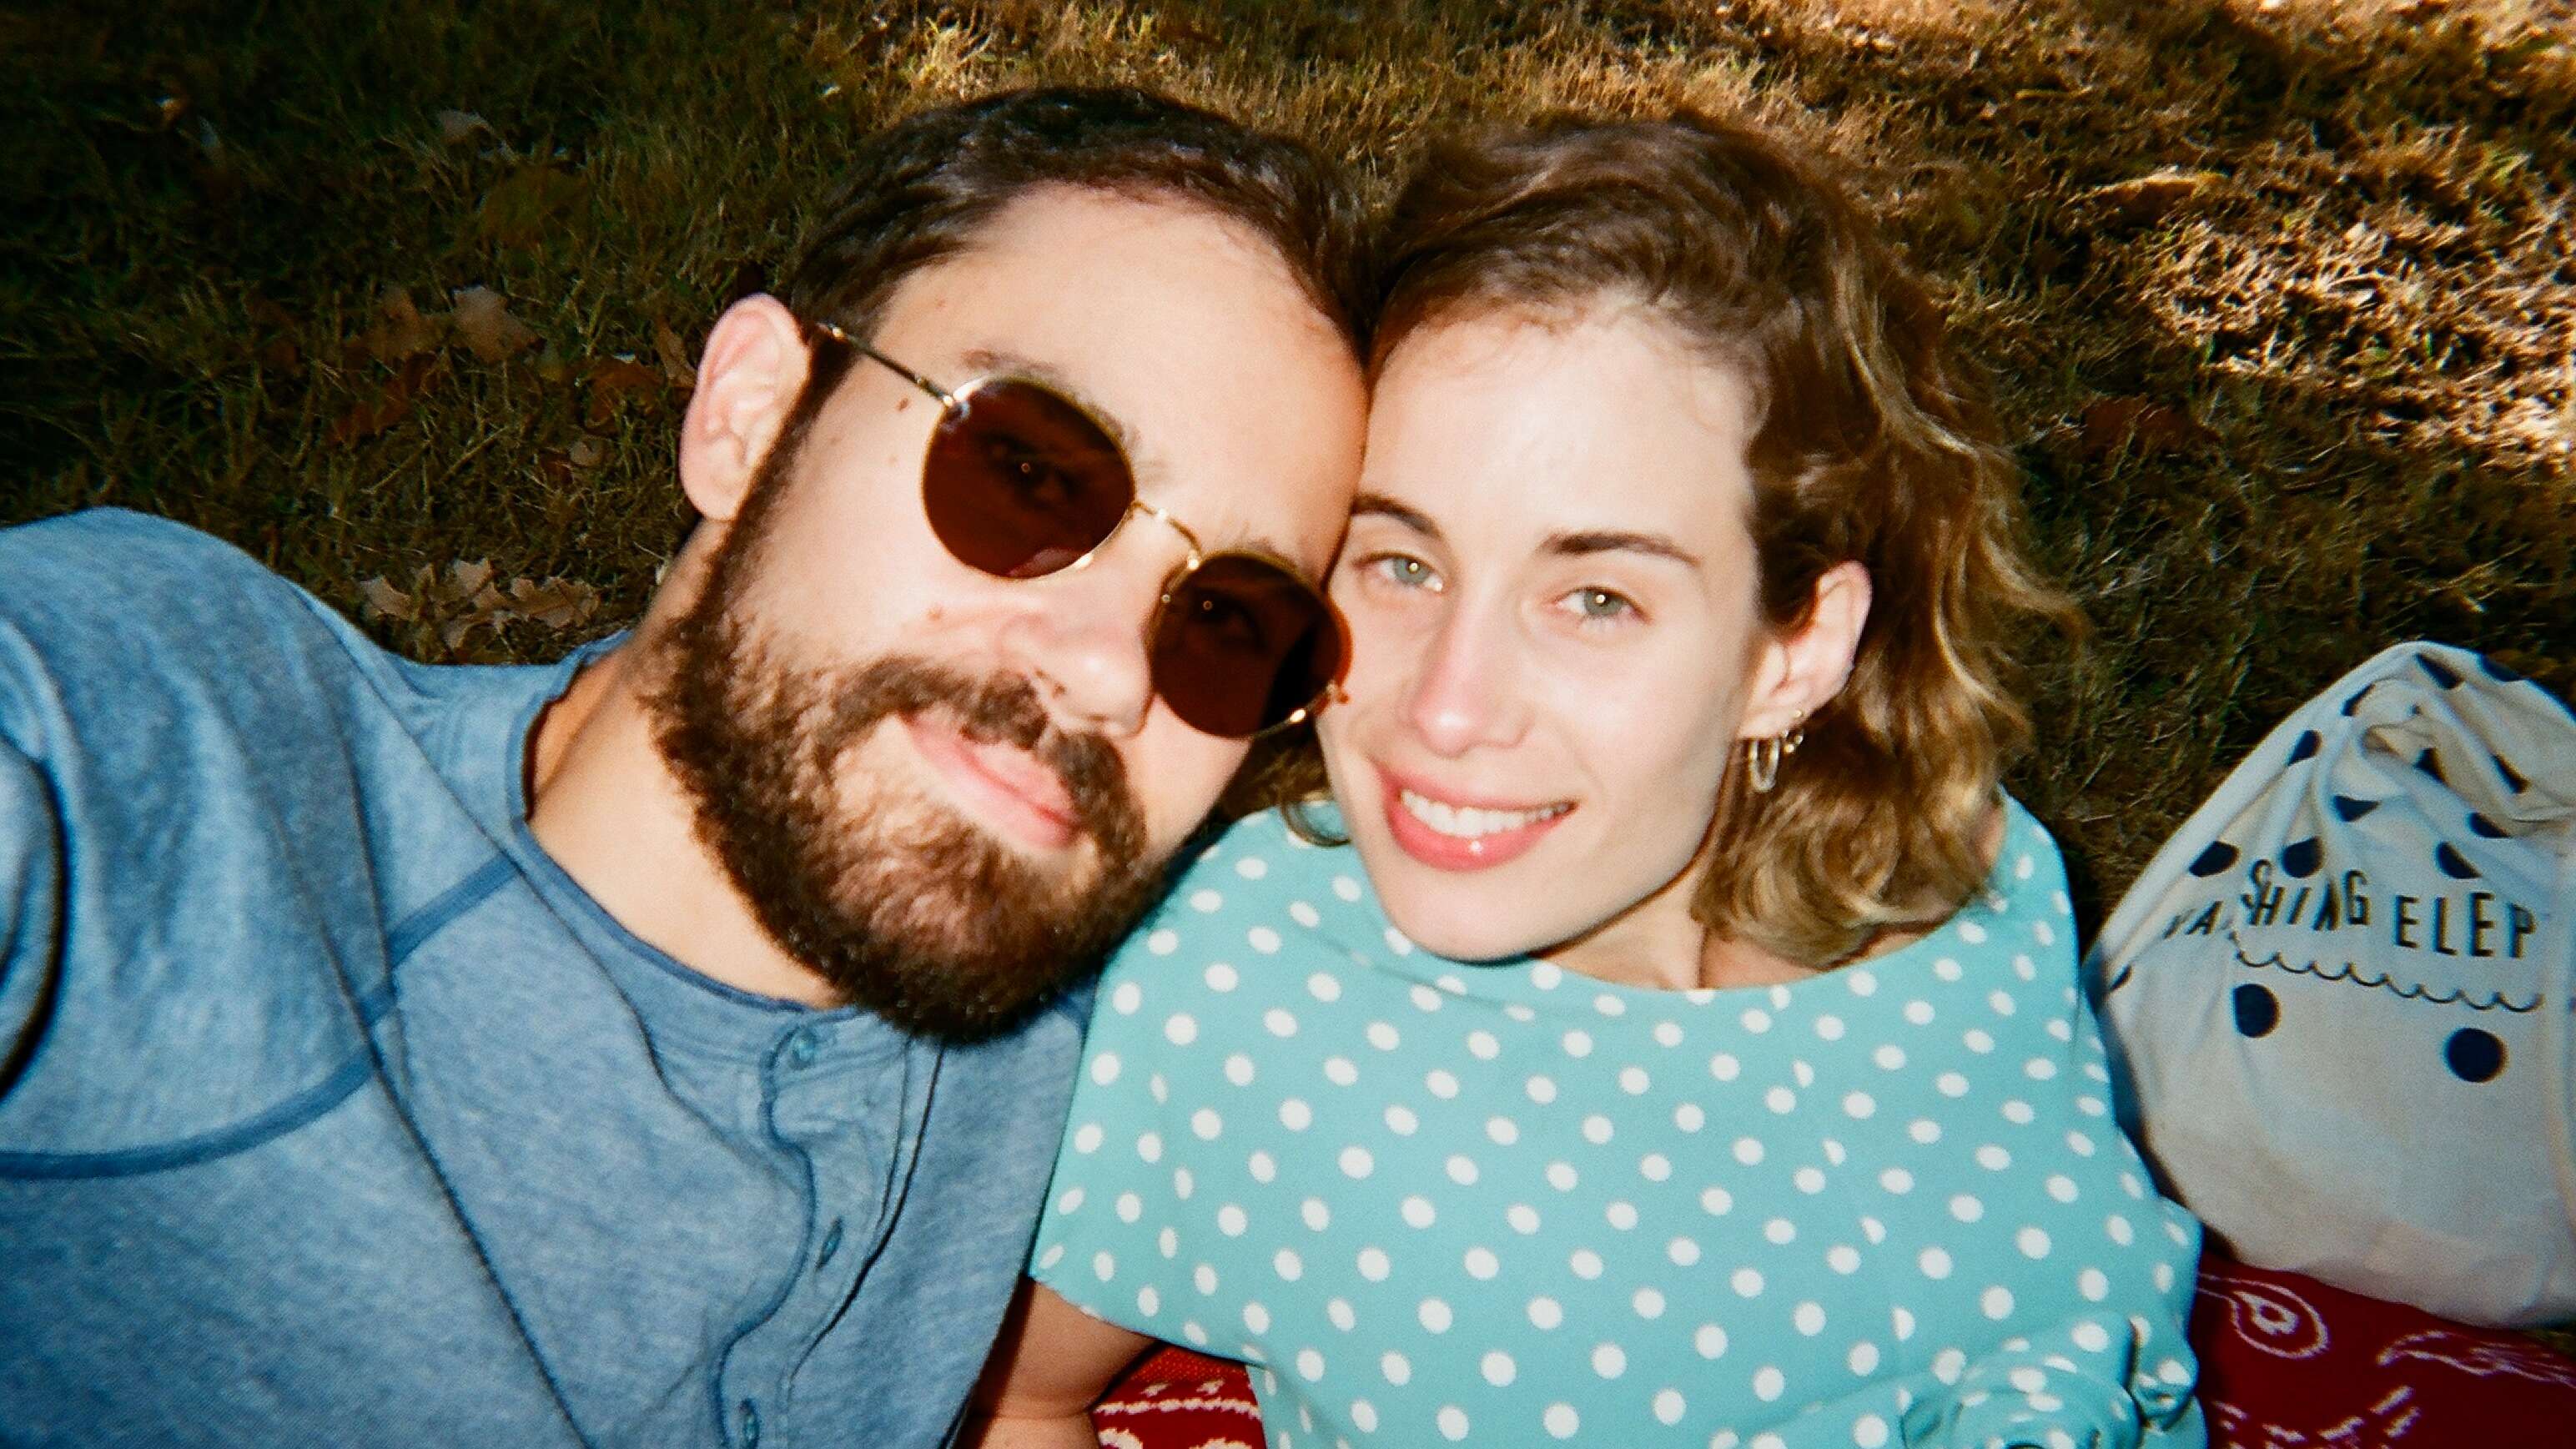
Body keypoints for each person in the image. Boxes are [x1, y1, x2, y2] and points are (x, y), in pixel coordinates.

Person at [0, 86, 1369, 1446]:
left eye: (1232, 622)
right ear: (753, 415)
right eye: (1031, 473)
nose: (1112, 673)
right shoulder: (162, 766)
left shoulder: (1102, 993)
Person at [969, 113, 2206, 1447]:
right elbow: (1012, 1397)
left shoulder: (1976, 878)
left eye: (1598, 597)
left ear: (1795, 650)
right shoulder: (1251, 984)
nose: (1444, 709)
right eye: (1401, 564)